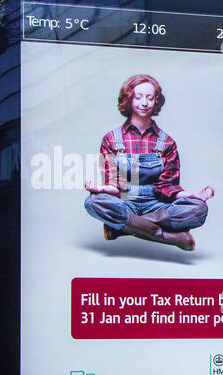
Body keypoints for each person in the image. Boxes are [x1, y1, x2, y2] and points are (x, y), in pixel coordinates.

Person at [83, 74, 214, 252]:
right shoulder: (111, 140)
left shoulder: (167, 142)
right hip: (125, 202)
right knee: (93, 202)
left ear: (156, 101)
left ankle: (123, 228)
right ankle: (169, 237)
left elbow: (167, 187)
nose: (144, 103)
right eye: (138, 97)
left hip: (157, 204)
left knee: (198, 209)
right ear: (128, 99)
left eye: (150, 98)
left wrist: (191, 195)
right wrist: (102, 190)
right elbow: (113, 184)